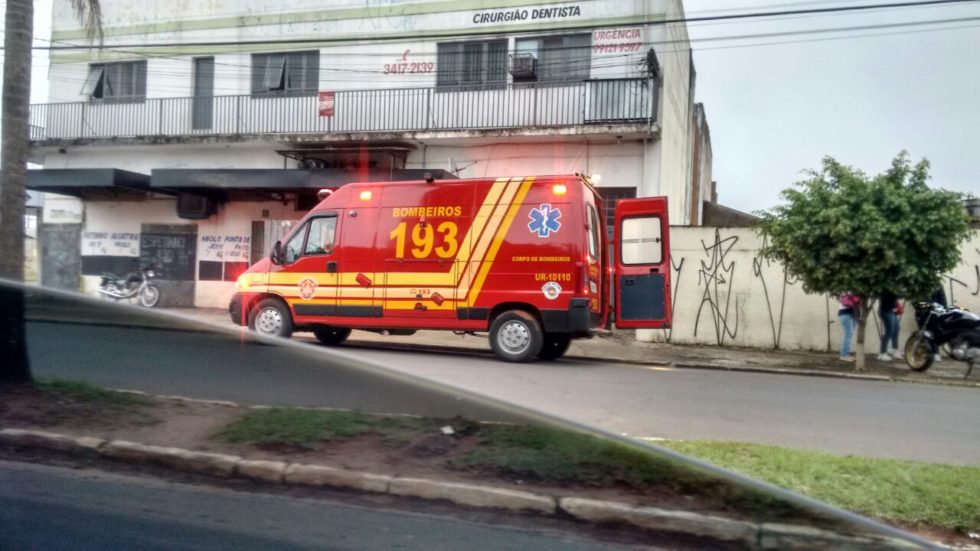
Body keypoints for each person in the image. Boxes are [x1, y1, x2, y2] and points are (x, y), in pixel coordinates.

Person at [877, 292, 900, 361]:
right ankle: (882, 353)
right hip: (886, 310)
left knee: (896, 329)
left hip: (891, 310)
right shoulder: (888, 286)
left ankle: (894, 349)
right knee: (889, 331)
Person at [838, 294, 860, 362]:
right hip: (846, 313)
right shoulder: (847, 291)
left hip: (851, 314)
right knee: (848, 334)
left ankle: (845, 354)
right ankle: (844, 355)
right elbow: (845, 303)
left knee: (849, 334)